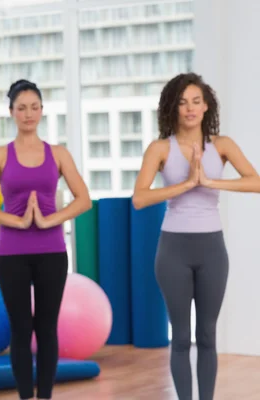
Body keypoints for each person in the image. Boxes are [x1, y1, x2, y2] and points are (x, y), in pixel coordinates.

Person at [133, 72, 260, 400]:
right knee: (180, 337)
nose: (189, 108)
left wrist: (211, 183)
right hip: (173, 249)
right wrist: (187, 184)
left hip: (211, 249)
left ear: (206, 107)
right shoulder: (160, 148)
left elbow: (255, 182)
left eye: (196, 101)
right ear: (172, 108)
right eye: (182, 102)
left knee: (206, 335)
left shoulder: (221, 145)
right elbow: (140, 198)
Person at [0, 79, 91, 400]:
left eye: (34, 107)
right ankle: (26, 396)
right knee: (22, 330)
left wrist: (49, 220)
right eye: (21, 108)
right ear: (11, 112)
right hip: (11, 253)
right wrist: (18, 221)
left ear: (41, 111)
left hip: (52, 250)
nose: (28, 113)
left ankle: (46, 397)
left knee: (47, 328)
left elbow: (84, 199)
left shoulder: (58, 153)